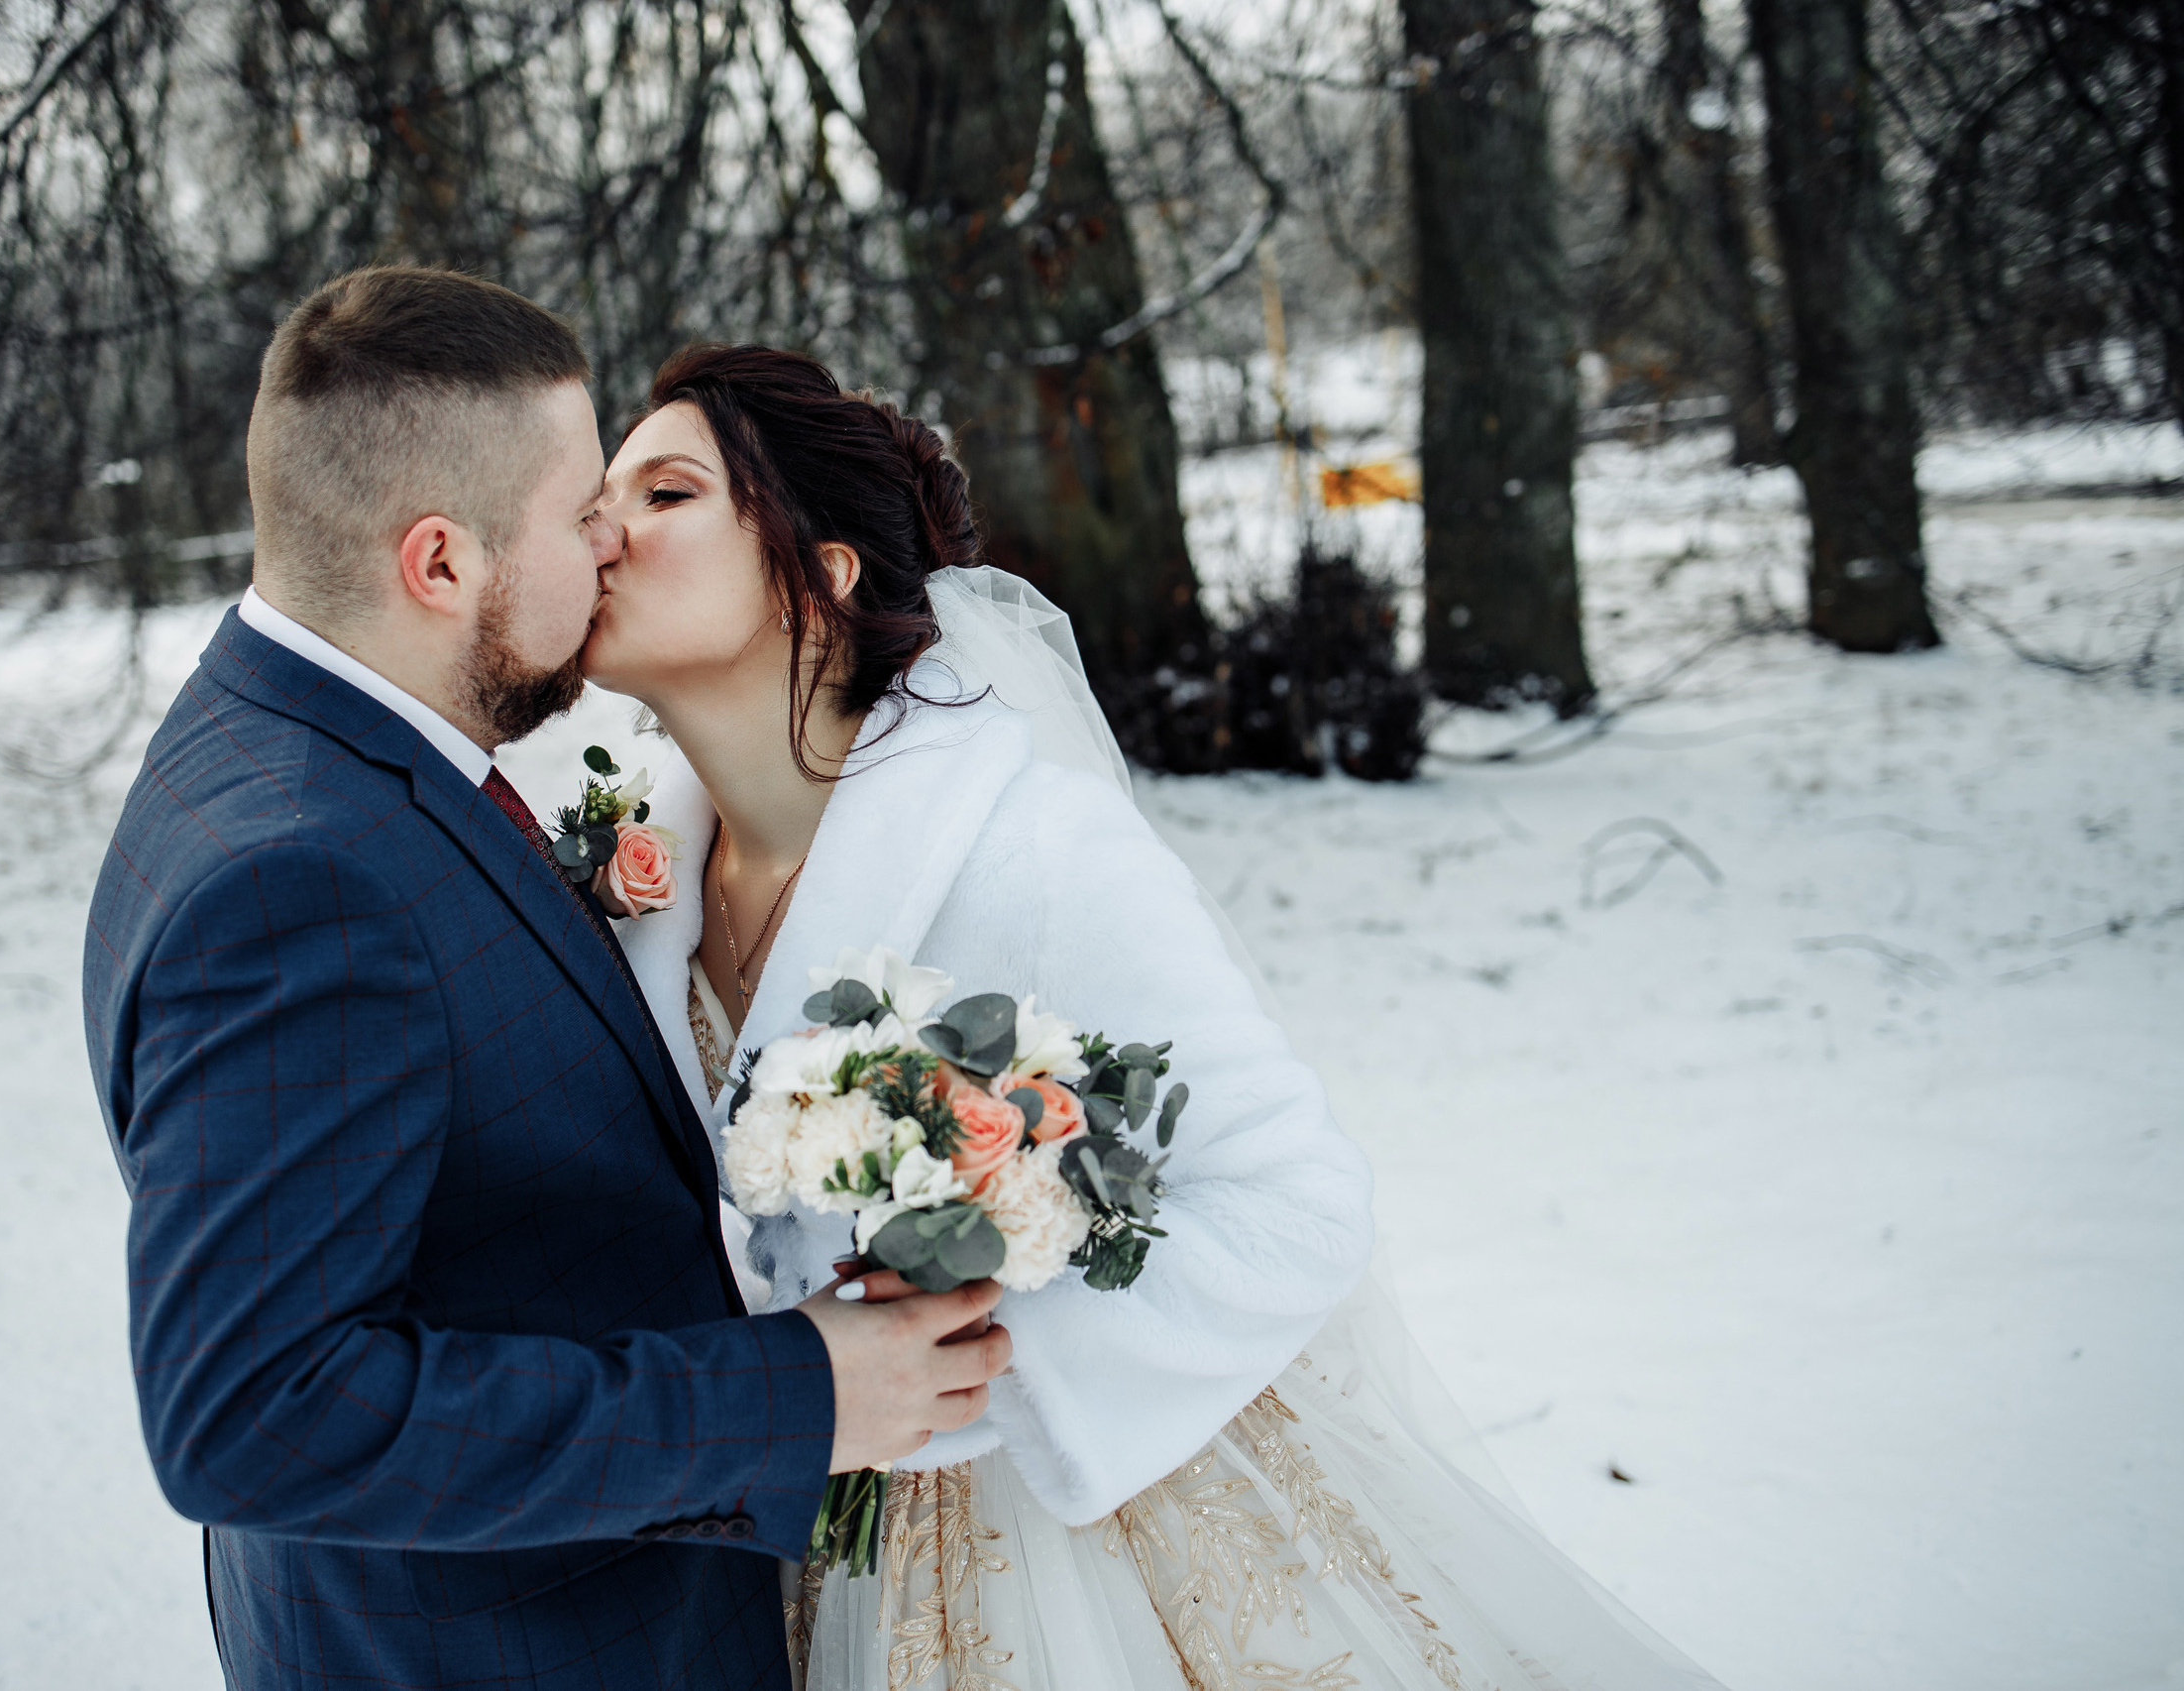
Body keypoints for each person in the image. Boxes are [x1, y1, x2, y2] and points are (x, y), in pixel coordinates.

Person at [585, 343, 1730, 1690]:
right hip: (796, 1525)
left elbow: (1300, 1206)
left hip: (1085, 1536)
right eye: (602, 493)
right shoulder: (629, 882)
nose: (601, 528)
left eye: (664, 492)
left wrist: (980, 1349)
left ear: (818, 573)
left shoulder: (1032, 850)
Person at [81, 270, 1012, 1691]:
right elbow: (256, 1414)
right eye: (581, 515)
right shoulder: (300, 877)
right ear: (441, 566)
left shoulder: (276, 737)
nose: (610, 544)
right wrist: (795, 1397)